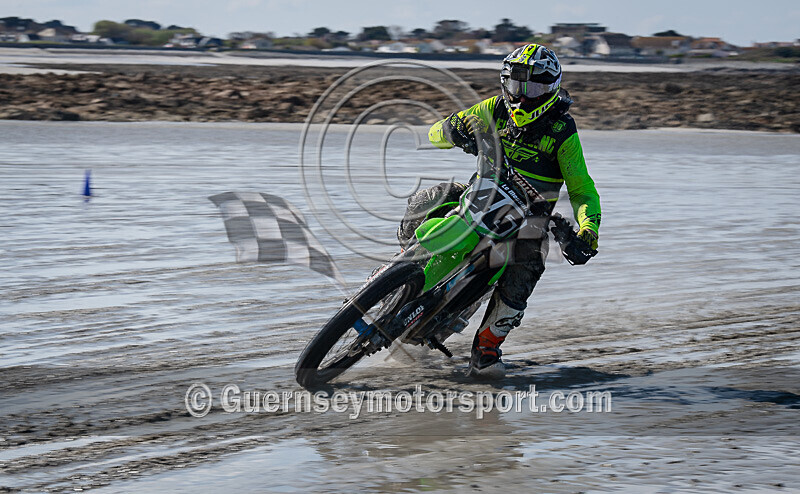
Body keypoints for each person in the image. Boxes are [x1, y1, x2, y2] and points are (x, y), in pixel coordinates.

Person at [397, 44, 602, 378]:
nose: (522, 96)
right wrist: (453, 129)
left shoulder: (562, 131)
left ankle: (488, 345)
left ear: (550, 88)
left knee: (530, 263)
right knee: (434, 196)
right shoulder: (493, 108)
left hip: (527, 221)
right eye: (516, 86)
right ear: (505, 84)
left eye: (533, 88)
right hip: (478, 197)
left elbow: (582, 191)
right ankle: (399, 264)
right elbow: (435, 134)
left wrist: (587, 231)